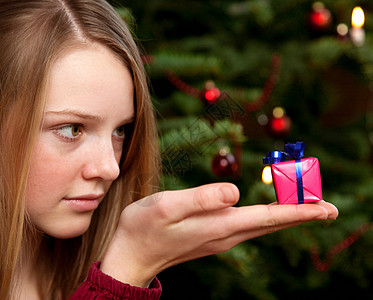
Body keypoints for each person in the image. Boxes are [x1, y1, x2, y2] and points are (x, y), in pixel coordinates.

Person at [0, 0, 339, 299]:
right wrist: (125, 272)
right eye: (72, 129)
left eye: (121, 130)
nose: (110, 168)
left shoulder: (66, 267)